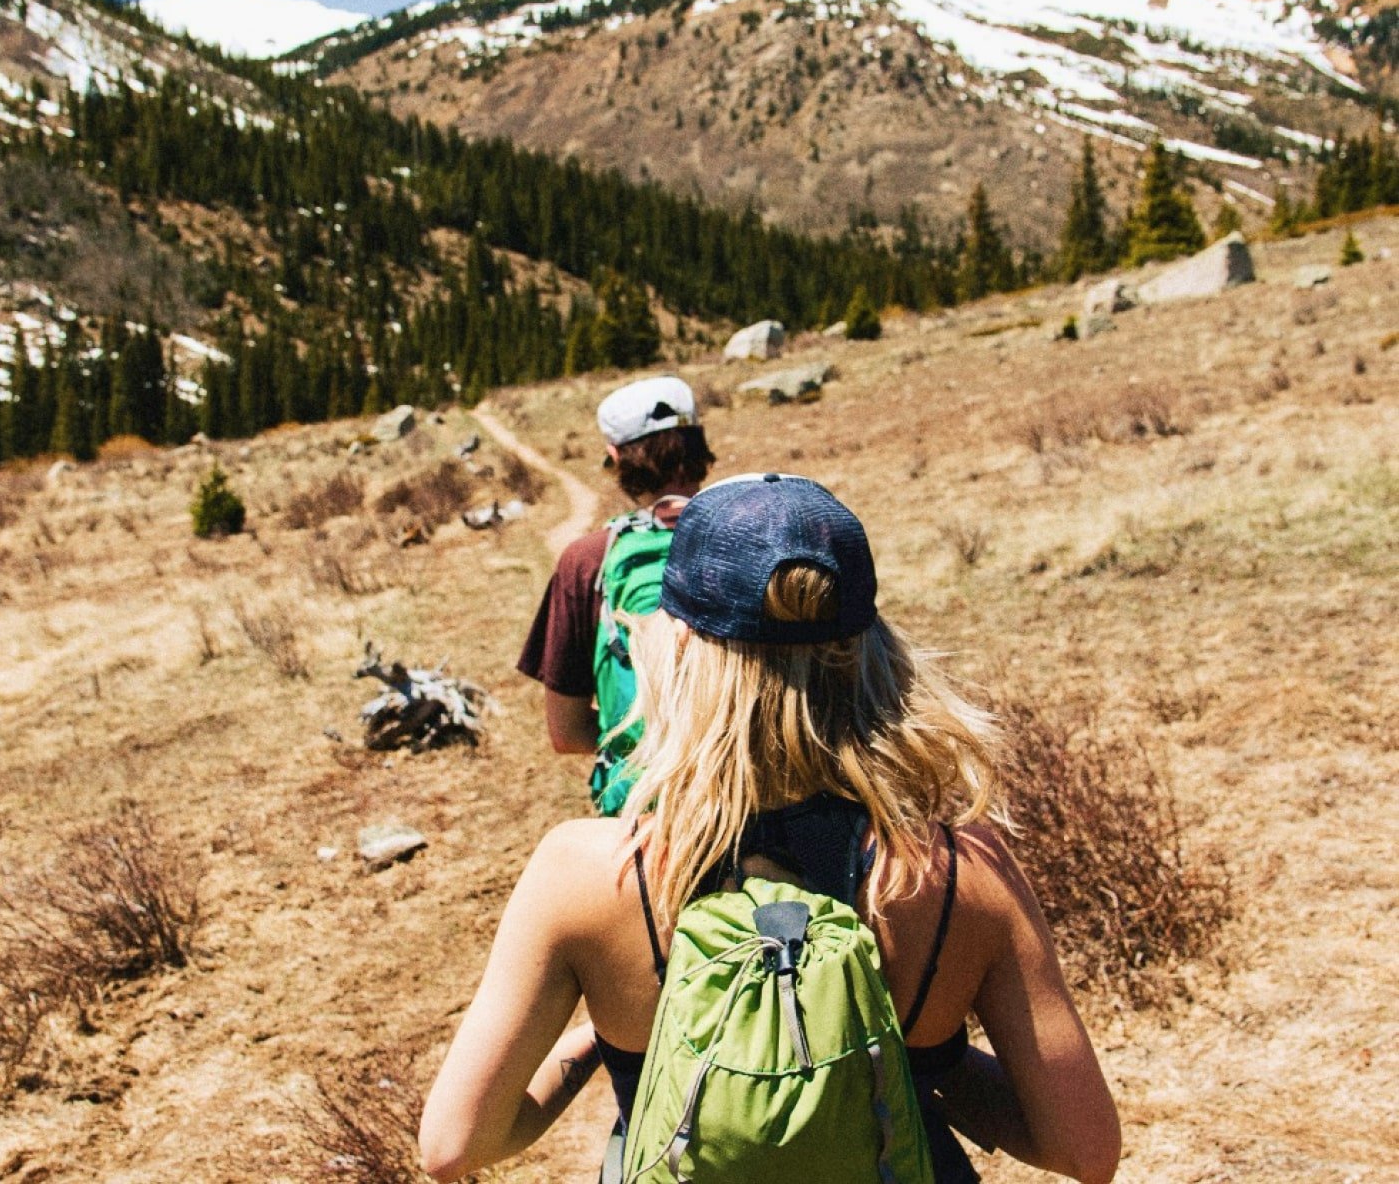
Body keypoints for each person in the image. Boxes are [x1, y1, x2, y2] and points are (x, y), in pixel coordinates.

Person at [423, 475, 1121, 1183]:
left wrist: (598, 1045)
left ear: (679, 649)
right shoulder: (955, 872)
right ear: (873, 649)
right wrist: (925, 1056)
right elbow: (1084, 1150)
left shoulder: (585, 873)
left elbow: (454, 1146)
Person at [517, 374, 715, 811]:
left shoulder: (589, 559)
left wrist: (641, 742)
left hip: (648, 811)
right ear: (699, 445)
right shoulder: (759, 534)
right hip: (760, 804)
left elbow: (566, 733)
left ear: (615, 458)